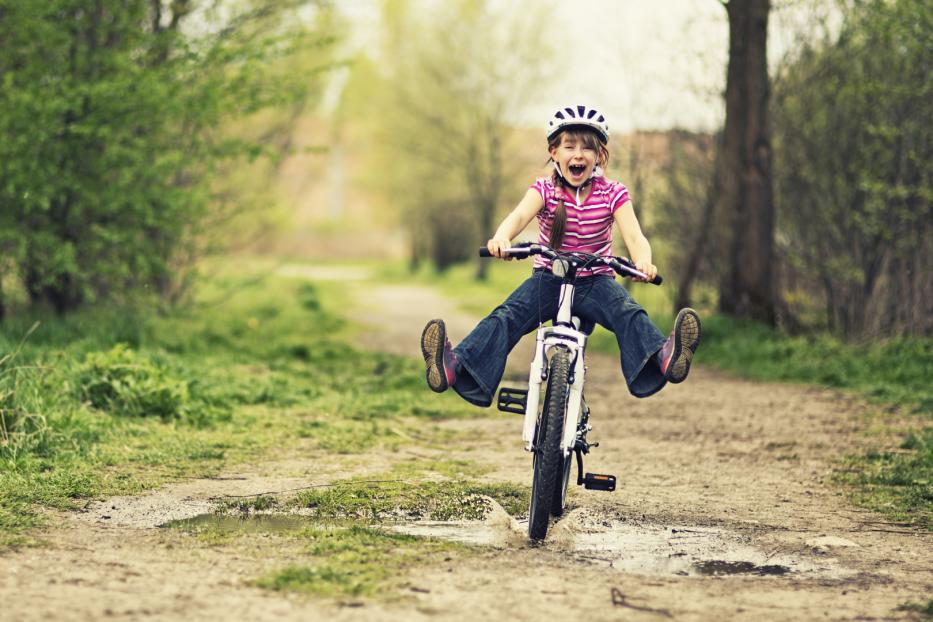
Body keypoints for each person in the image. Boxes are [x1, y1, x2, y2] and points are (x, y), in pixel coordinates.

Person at [420, 104, 701, 407]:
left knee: (628, 312)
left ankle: (663, 357)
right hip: (549, 279)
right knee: (506, 316)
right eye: (569, 146)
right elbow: (517, 217)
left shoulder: (612, 193)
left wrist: (643, 260)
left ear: (599, 156)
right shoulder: (544, 189)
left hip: (595, 281)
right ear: (554, 152)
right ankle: (455, 367)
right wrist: (502, 238)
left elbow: (634, 236)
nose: (578, 154)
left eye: (587, 148)